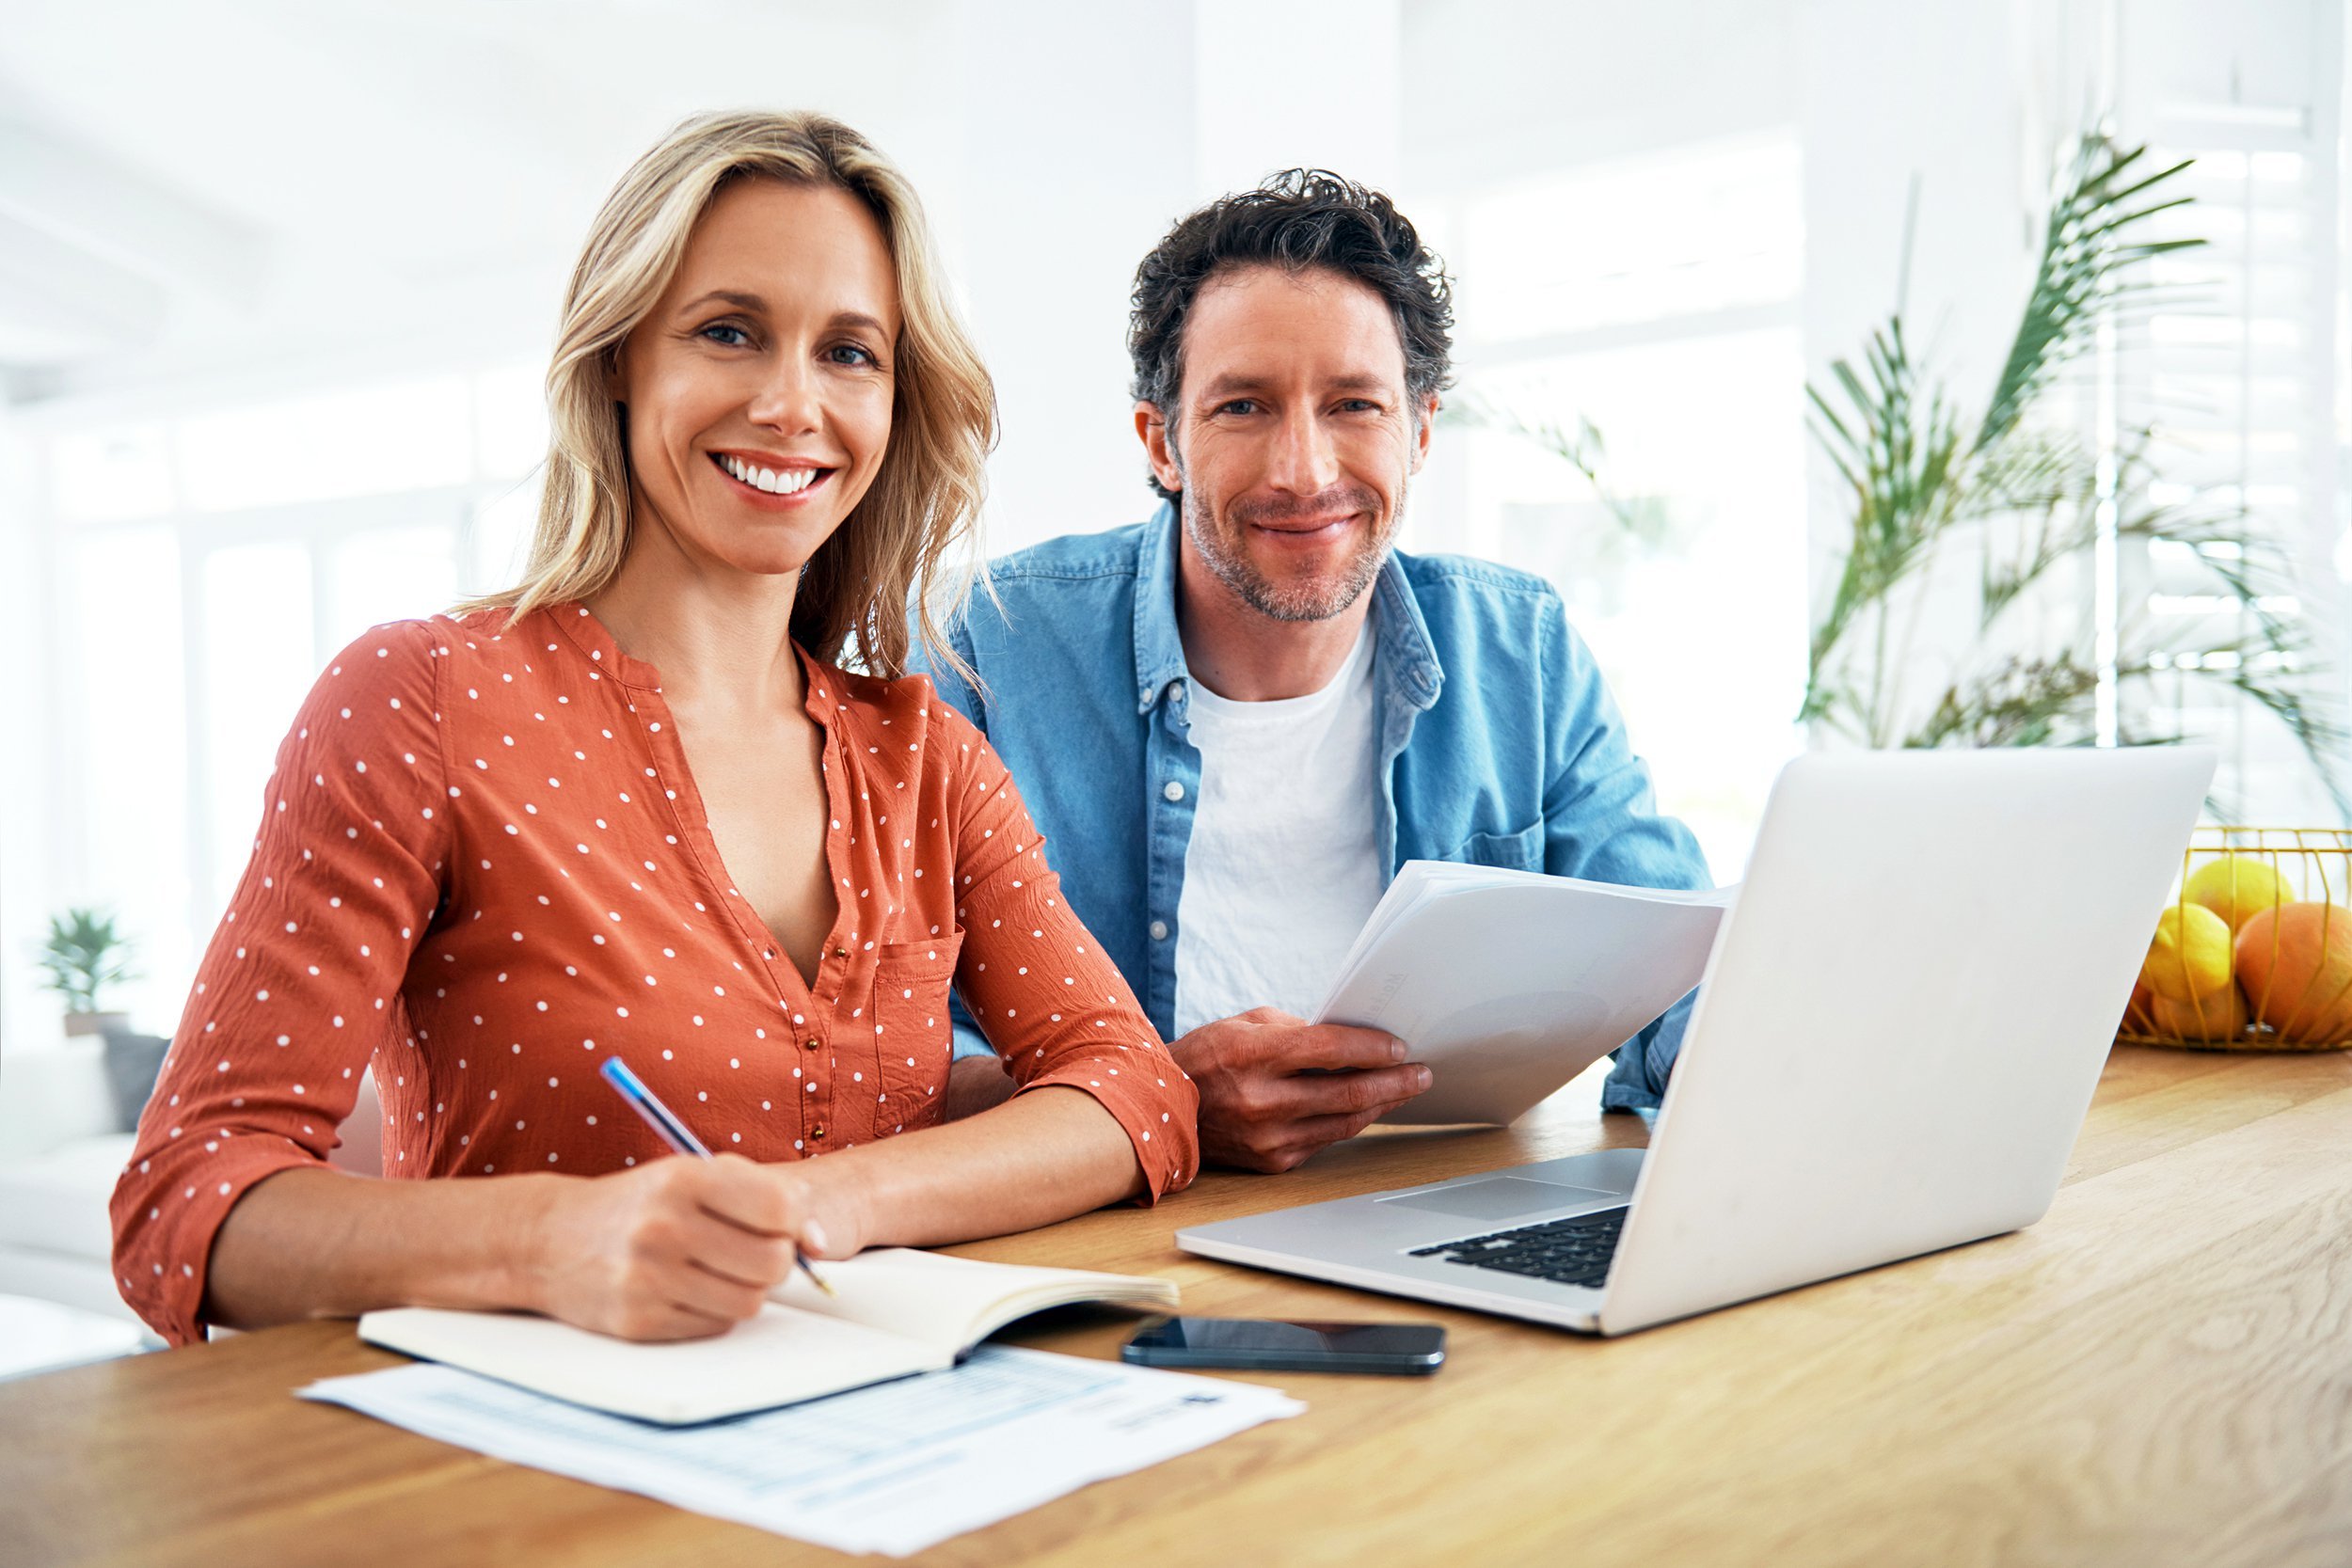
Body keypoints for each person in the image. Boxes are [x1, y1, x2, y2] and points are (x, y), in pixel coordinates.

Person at [109, 111, 1198, 1349]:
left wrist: (820, 1200)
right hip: (520, 1478)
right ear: (622, 358)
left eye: (850, 353)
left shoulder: (924, 756)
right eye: (729, 332)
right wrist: (551, 1242)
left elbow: (1132, 1088)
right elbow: (185, 1199)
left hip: (876, 1448)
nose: (792, 404)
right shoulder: (419, 699)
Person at [916, 170, 1708, 1173]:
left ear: (1419, 430)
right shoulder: (982, 649)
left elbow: (1679, 977)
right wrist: (1159, 1097)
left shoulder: (1523, 651)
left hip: (1438, 1211)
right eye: (1243, 405)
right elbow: (889, 1061)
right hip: (1115, 1235)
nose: (1303, 470)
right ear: (1161, 441)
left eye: (1353, 405)